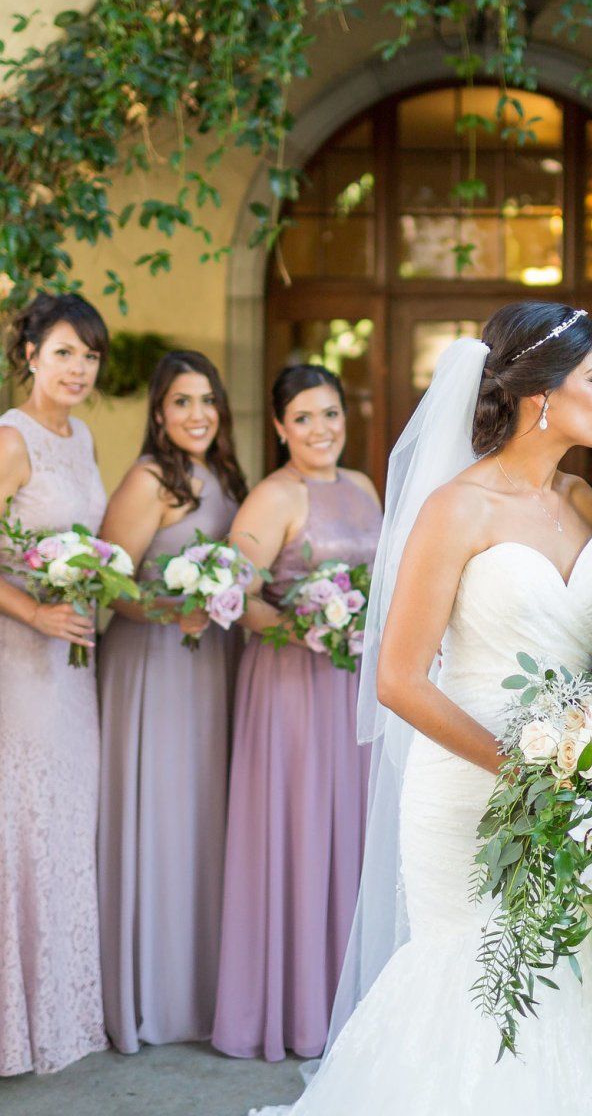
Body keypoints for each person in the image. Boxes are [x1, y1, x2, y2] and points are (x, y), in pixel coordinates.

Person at [253, 300, 592, 1113]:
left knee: (575, 982)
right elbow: (399, 678)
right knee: (469, 986)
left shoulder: (585, 504)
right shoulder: (455, 508)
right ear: (540, 398)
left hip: (573, 794)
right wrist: (525, 769)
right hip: (467, 791)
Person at [0, 294, 112, 1076]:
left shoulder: (79, 438)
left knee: (63, 828)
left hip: (70, 662)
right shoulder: (10, 440)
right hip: (15, 657)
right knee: (18, 832)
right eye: (66, 352)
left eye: (91, 356)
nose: (79, 369)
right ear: (31, 354)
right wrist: (36, 613)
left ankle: (61, 1015)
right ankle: (1, 1030)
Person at [212, 364, 383, 1061]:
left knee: (351, 835)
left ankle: (349, 1003)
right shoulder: (272, 497)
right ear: (280, 427)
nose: (322, 430)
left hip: (352, 691)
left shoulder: (364, 488)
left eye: (332, 414)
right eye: (305, 418)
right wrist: (304, 627)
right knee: (299, 830)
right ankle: (290, 1011)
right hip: (290, 687)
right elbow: (232, 596)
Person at [97, 350, 250, 1049]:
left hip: (210, 662)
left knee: (201, 816)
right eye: (182, 402)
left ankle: (199, 989)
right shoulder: (149, 479)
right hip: (154, 663)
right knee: (159, 814)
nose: (197, 414)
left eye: (207, 401)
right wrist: (168, 611)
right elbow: (107, 584)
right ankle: (149, 997)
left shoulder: (222, 477)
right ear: (159, 414)